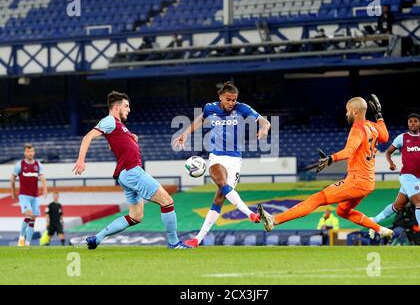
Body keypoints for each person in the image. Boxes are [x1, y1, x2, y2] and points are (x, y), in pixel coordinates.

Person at [258, 95, 393, 239]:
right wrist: (379, 115)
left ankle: (274, 220)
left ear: (354, 112)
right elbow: (385, 137)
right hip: (368, 182)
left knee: (317, 199)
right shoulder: (372, 126)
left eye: (347, 111)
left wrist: (331, 158)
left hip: (357, 181)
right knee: (343, 211)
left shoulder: (357, 129)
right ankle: (381, 230)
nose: (346, 114)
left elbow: (349, 151)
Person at [73, 91, 190, 249]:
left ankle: (97, 238)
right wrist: (81, 160)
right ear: (116, 107)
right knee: (167, 201)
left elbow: (112, 144)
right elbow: (88, 137)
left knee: (135, 216)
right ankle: (174, 242)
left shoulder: (119, 126)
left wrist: (130, 138)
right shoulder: (109, 120)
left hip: (124, 175)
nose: (129, 109)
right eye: (126, 106)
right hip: (132, 171)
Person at [173, 82, 271, 248]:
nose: (231, 103)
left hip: (235, 160)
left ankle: (197, 240)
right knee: (219, 179)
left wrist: (264, 129)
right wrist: (185, 133)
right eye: (228, 99)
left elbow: (265, 122)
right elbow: (199, 120)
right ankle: (250, 214)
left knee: (219, 198)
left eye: (234, 100)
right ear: (220, 97)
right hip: (216, 156)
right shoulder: (210, 108)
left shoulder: (242, 108)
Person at [370, 113, 420, 245]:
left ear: (419, 124)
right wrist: (391, 163)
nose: (412, 123)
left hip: (417, 178)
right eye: (410, 122)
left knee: (397, 206)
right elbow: (388, 152)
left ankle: (373, 221)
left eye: (415, 121)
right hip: (407, 176)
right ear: (408, 124)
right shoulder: (402, 138)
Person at [11, 143, 48, 246]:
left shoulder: (38, 164)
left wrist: (45, 189)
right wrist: (13, 192)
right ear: (24, 152)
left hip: (35, 196)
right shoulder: (20, 165)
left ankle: (27, 243)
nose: (30, 153)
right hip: (24, 195)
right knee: (28, 214)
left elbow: (43, 178)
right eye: (28, 151)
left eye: (32, 151)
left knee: (33, 219)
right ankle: (21, 238)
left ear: (34, 152)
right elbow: (12, 180)